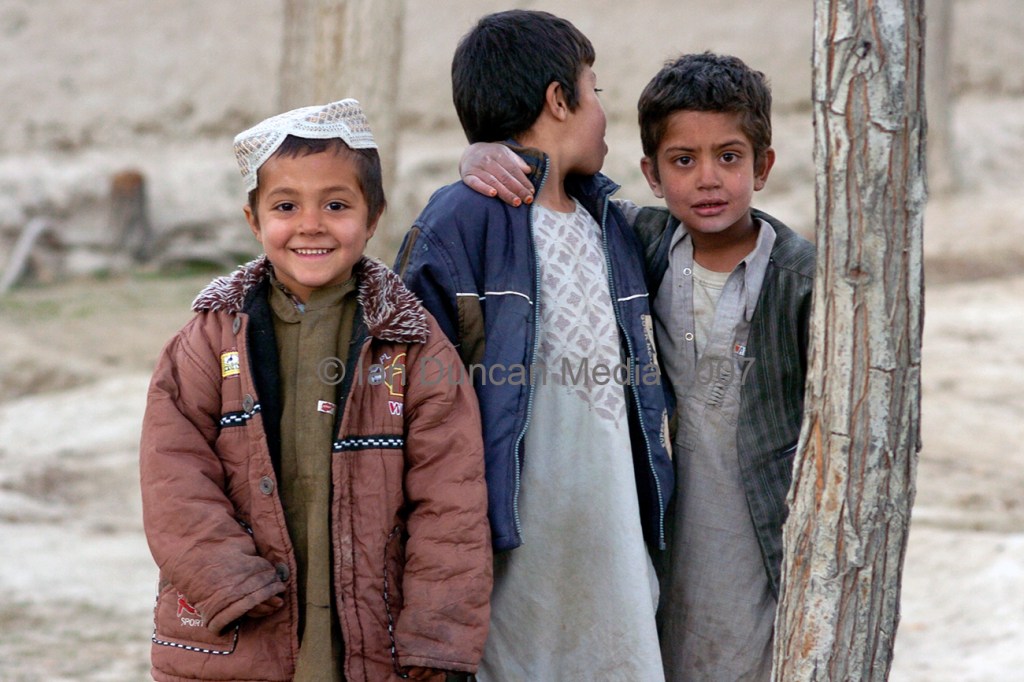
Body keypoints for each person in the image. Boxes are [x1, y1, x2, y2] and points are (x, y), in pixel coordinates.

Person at [461, 52, 815, 681]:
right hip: (651, 539)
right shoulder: (636, 244)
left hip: (755, 546)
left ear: (762, 166)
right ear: (652, 174)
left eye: (729, 157)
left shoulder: (800, 280)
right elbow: (558, 191)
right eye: (683, 160)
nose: (708, 179)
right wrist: (481, 155)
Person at [139, 99, 492, 682]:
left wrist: (437, 636)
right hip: (243, 630)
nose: (310, 224)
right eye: (286, 206)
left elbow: (450, 503)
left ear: (373, 216)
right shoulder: (207, 342)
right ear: (253, 220)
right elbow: (172, 476)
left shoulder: (414, 346)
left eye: (336, 204)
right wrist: (227, 581)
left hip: (371, 640)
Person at [393, 10, 673, 681]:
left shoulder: (612, 225)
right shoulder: (460, 221)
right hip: (513, 561)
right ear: (558, 100)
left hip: (612, 546)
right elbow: (408, 395)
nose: (603, 110)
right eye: (595, 90)